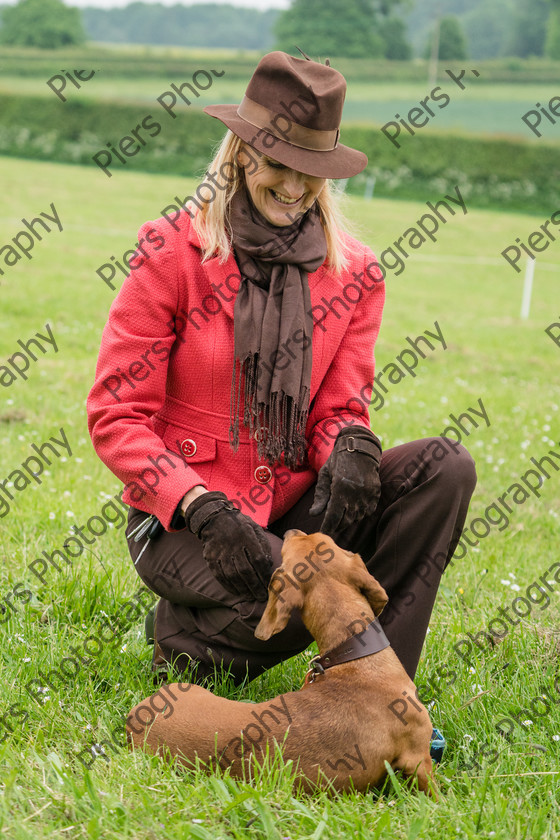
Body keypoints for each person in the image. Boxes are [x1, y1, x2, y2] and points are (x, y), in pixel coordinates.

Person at [87, 51, 476, 724]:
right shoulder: (171, 252)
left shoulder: (354, 273)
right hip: (186, 523)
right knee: (318, 586)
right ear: (240, 154)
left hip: (291, 512)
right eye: (278, 164)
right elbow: (116, 413)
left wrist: (349, 446)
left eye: (312, 171)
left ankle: (386, 698)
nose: (295, 187)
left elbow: (339, 405)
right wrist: (199, 502)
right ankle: (189, 640)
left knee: (445, 468)